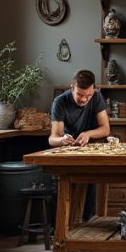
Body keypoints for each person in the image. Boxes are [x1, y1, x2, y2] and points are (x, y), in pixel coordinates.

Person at [49, 70, 111, 222]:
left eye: (88, 95)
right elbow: (52, 138)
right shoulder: (59, 102)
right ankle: (63, 226)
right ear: (72, 88)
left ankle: (86, 223)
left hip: (93, 148)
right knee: (64, 183)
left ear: (94, 90)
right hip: (70, 148)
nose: (84, 99)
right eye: (80, 95)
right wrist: (62, 139)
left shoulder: (96, 97)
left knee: (90, 182)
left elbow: (105, 129)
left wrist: (88, 134)